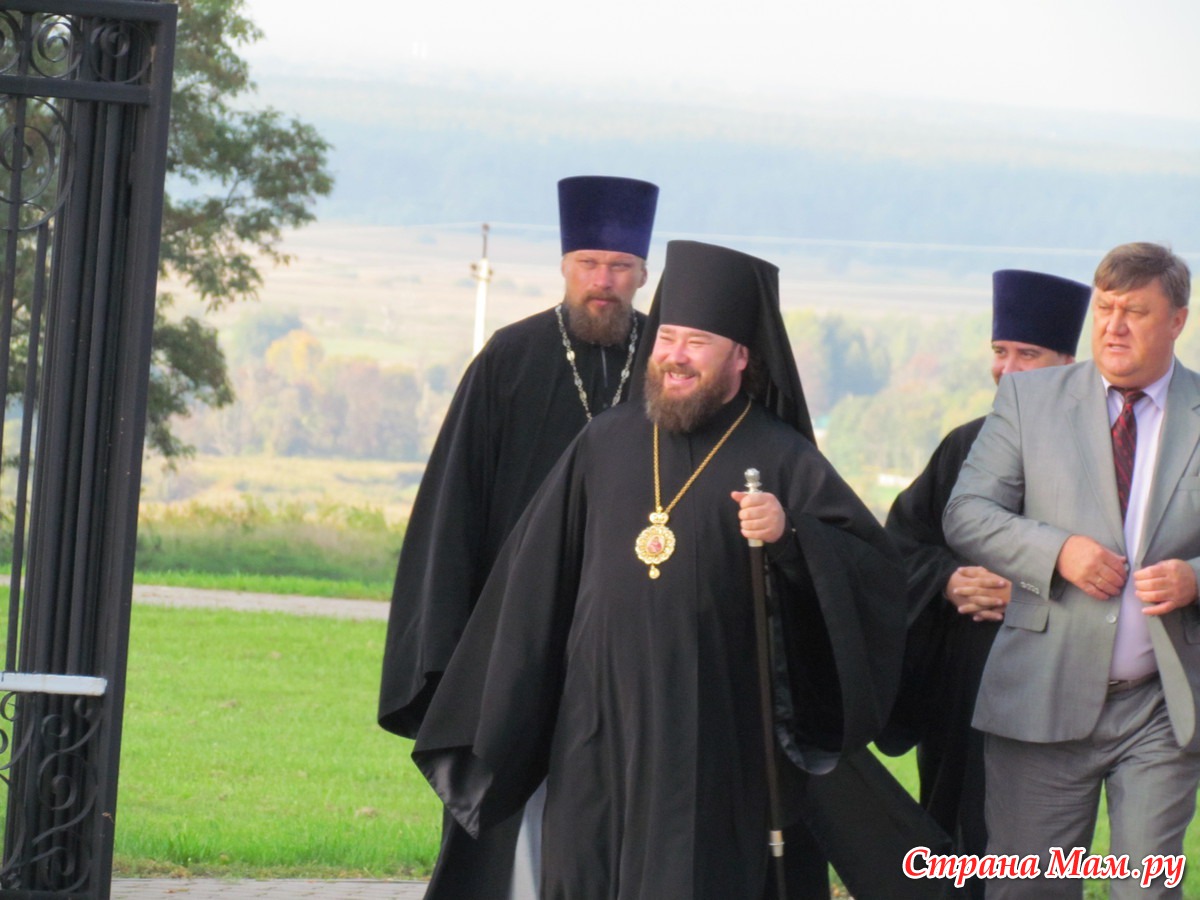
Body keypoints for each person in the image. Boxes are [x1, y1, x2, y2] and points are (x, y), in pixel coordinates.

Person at [412, 240, 907, 899]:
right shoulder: (606, 442)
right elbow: (533, 586)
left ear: (741, 356)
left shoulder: (780, 457)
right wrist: (493, 710)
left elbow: (870, 573)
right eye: (667, 337)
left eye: (696, 342)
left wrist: (792, 536)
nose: (673, 356)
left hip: (709, 747)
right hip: (593, 736)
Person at [378, 175, 659, 898]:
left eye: (620, 268)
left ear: (643, 273)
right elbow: (453, 513)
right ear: (564, 266)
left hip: (635, 639)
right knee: (508, 835)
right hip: (516, 638)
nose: (604, 282)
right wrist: (446, 655)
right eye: (590, 264)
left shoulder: (671, 364)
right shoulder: (511, 358)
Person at [943, 242, 1200, 900]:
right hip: (1043, 694)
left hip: (1162, 706)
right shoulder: (1030, 401)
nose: (1113, 326)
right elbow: (967, 513)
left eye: (1135, 312)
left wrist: (1197, 578)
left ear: (1177, 319)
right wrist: (1058, 551)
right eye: (1105, 308)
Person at [881, 269, 1090, 894]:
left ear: (1068, 364)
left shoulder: (1098, 457)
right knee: (948, 847)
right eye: (1001, 353)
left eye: (1028, 355)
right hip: (960, 689)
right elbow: (898, 548)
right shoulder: (965, 445)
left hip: (1051, 689)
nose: (1008, 368)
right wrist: (948, 581)